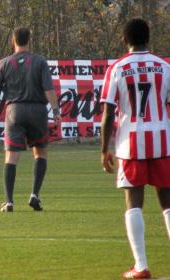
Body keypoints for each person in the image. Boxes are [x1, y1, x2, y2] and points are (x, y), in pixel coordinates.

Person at [100, 18, 170, 279]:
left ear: (124, 40)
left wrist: (104, 148)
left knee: (133, 203)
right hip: (163, 140)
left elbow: (108, 113)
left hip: (130, 145)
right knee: (168, 203)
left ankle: (141, 266)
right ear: (148, 38)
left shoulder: (117, 68)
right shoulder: (165, 66)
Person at [0, 26, 61, 213]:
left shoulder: (3, 63)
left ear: (13, 41)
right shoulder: (40, 61)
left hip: (14, 111)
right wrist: (56, 111)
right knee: (40, 153)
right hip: (37, 110)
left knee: (11, 156)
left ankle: (9, 202)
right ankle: (34, 195)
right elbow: (48, 88)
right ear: (30, 40)